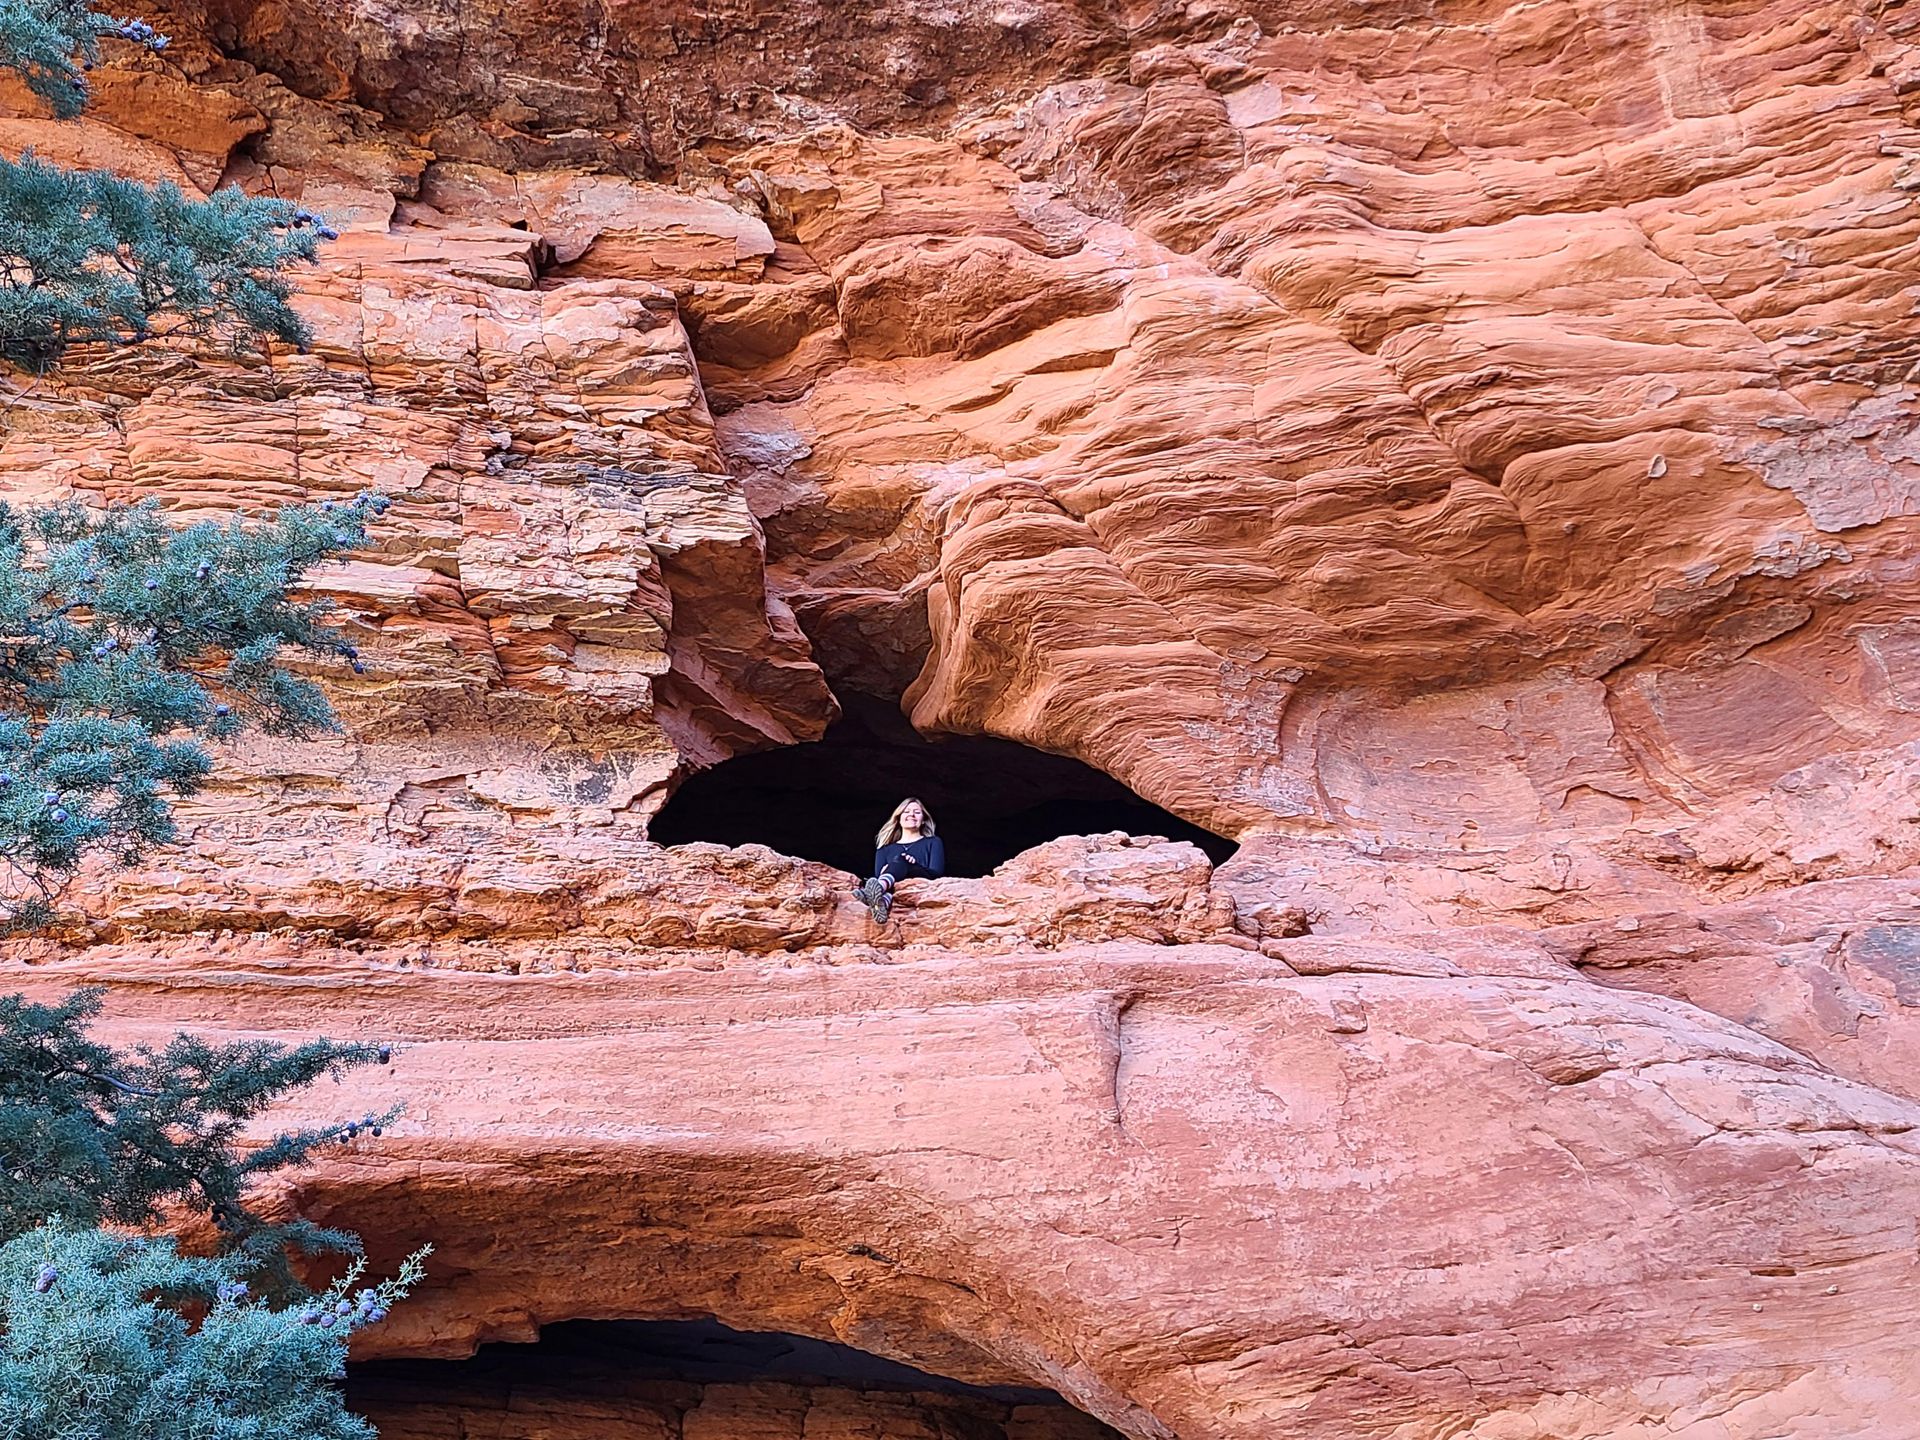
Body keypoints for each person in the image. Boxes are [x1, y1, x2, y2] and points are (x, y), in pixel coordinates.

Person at [855, 797, 945, 923]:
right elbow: (877, 875)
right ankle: (882, 902)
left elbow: (937, 873)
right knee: (890, 870)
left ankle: (876, 894)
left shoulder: (933, 842)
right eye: (906, 811)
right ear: (898, 818)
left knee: (900, 860)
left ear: (923, 820)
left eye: (917, 812)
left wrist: (911, 864)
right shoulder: (884, 849)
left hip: (921, 881)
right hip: (893, 885)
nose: (911, 815)